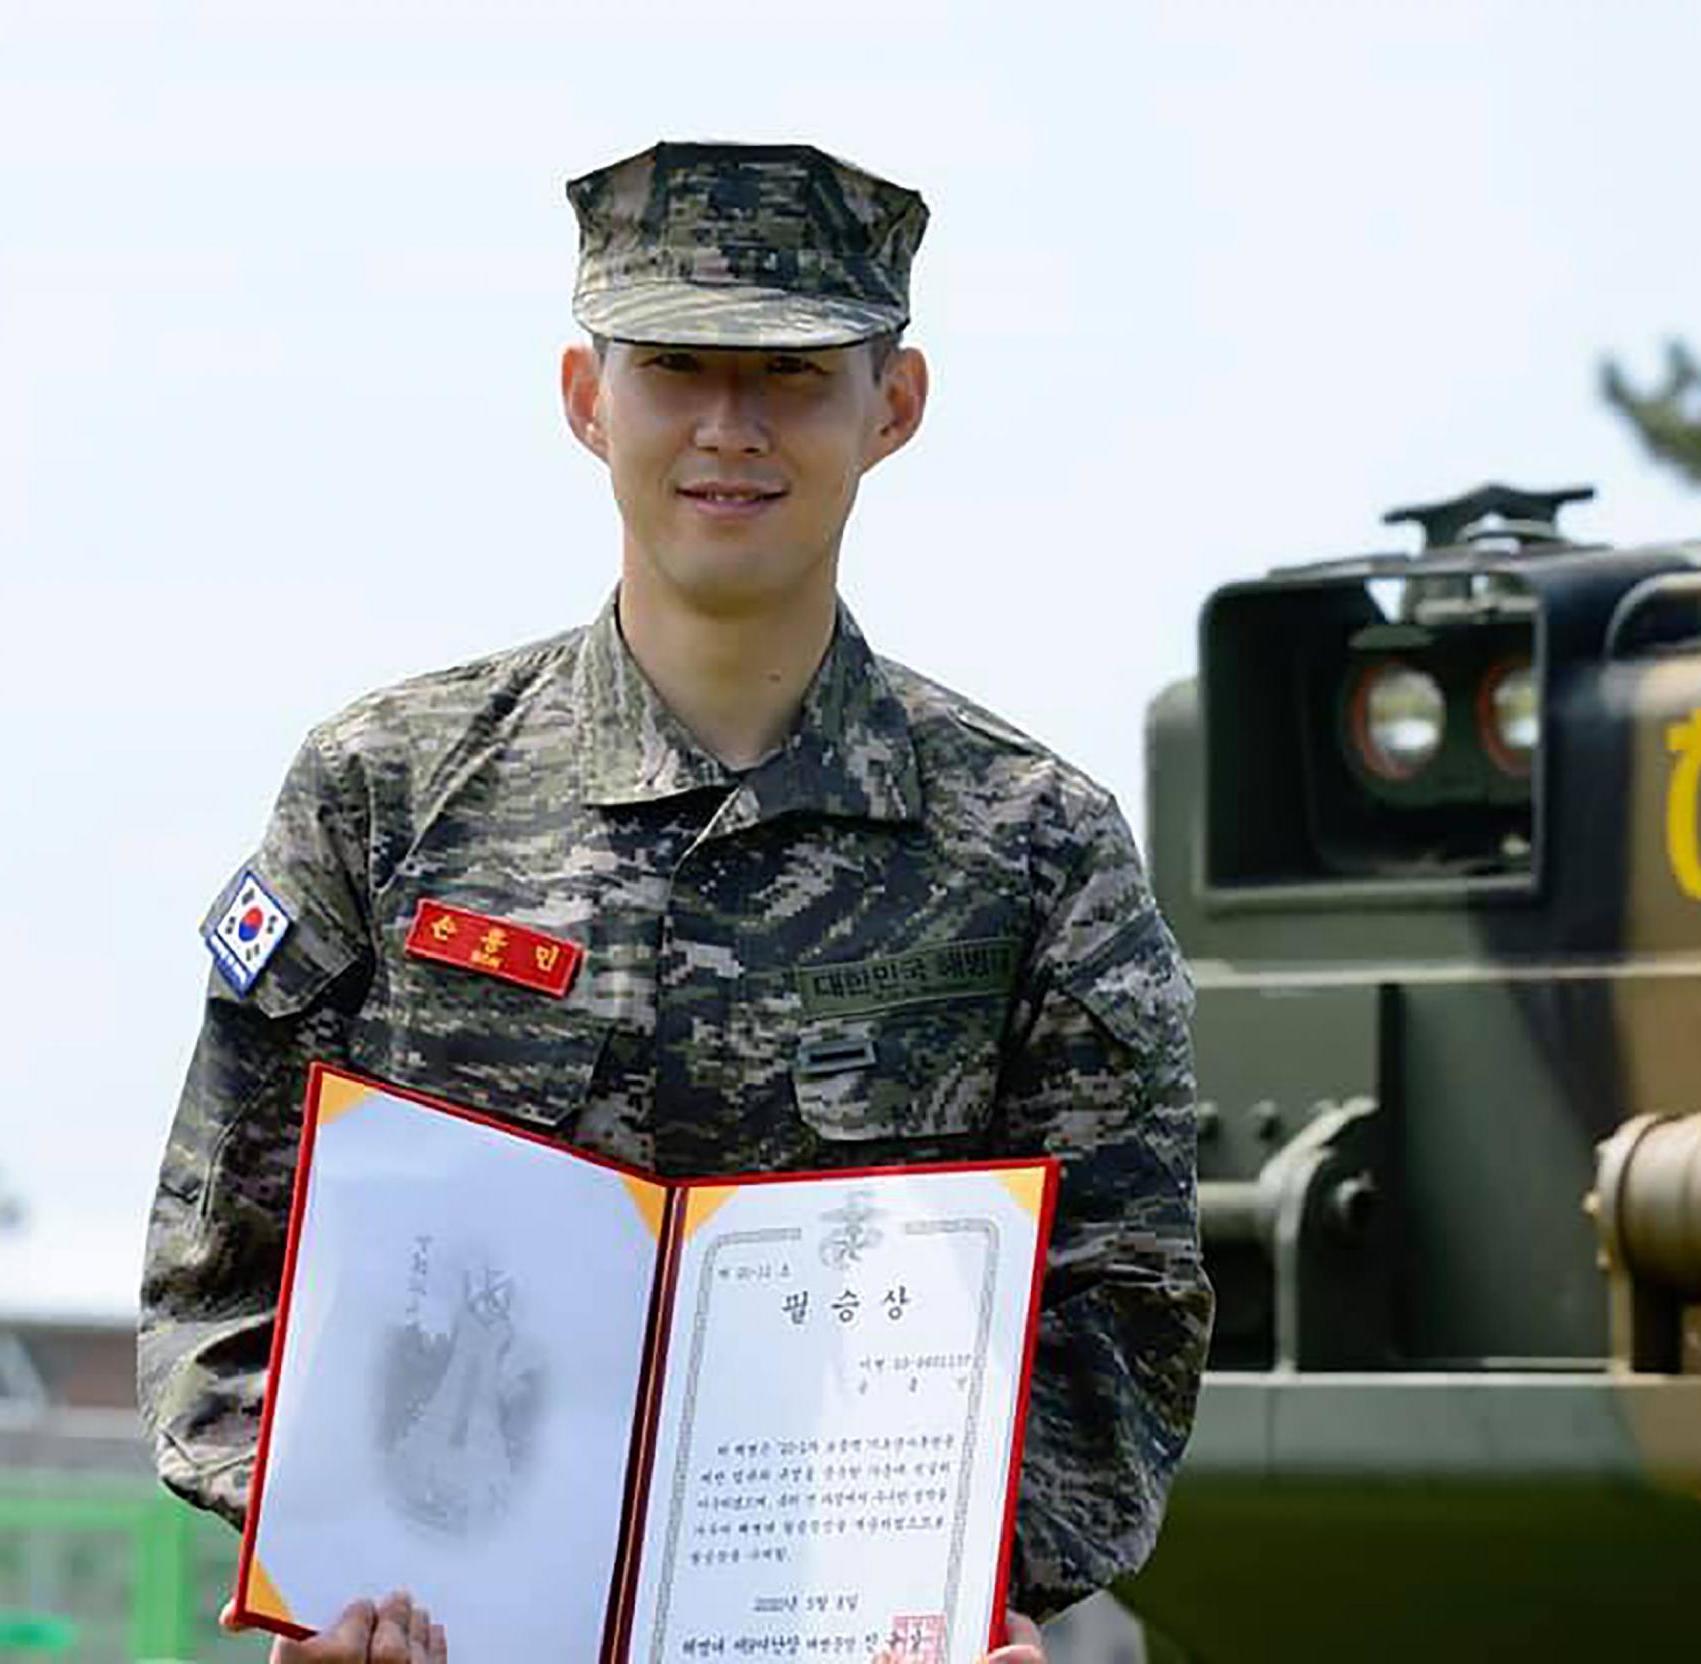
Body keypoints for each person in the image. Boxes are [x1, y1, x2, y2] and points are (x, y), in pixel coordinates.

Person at [138, 140, 1212, 1664]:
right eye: (674, 366)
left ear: (890, 407)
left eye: (789, 376)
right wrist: (331, 1553)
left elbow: (1125, 1312)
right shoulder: (384, 796)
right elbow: (224, 1249)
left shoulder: (1038, 851)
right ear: (586, 397)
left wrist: (971, 1584)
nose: (727, 427)